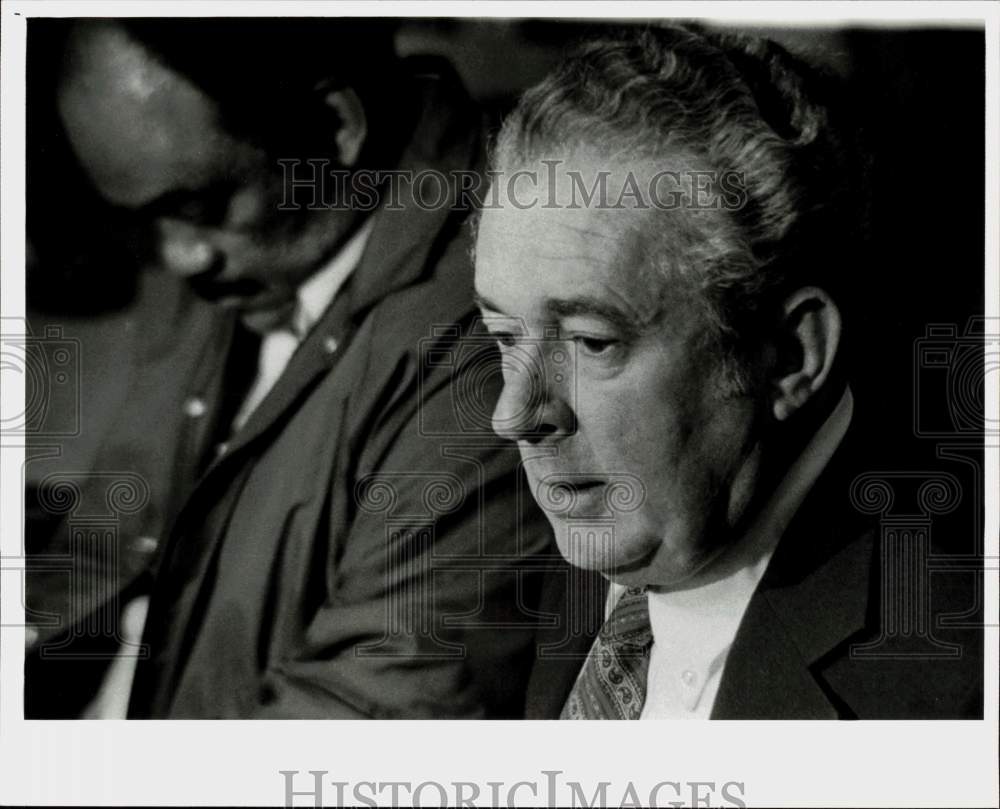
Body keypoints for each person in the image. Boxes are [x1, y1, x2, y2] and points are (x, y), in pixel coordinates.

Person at [26, 18, 553, 718]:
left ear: (336, 124)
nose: (181, 258)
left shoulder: (486, 329)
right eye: (141, 220)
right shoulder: (243, 250)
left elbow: (382, 718)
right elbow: (105, 546)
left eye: (199, 206)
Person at [473, 25, 983, 719]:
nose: (513, 414)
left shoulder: (950, 695)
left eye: (593, 343)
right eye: (503, 334)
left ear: (791, 358)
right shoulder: (593, 545)